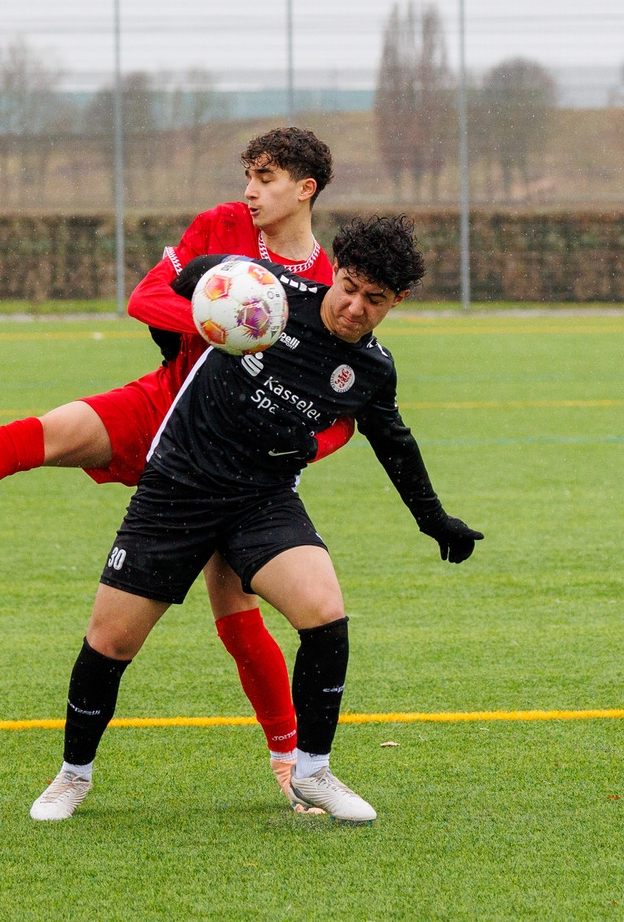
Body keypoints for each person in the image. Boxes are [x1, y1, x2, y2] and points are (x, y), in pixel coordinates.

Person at [0, 128, 351, 809]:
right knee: (49, 433)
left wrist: (302, 446)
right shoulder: (222, 225)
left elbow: (344, 412)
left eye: (265, 179)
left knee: (236, 613)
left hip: (227, 458)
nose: (249, 191)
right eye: (248, 176)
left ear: (305, 188)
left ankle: (290, 765)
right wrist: (219, 319)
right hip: (163, 401)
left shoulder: (329, 284)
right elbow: (146, 298)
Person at [26, 216, 483, 823]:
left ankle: (313, 771)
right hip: (180, 486)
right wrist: (181, 340)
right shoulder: (268, 293)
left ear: (396, 301)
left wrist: (436, 520)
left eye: (374, 300)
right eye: (348, 287)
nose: (355, 307)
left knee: (324, 612)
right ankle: (72, 776)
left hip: (261, 500)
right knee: (111, 641)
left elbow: (393, 442)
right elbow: (184, 278)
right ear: (336, 272)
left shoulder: (372, 368)